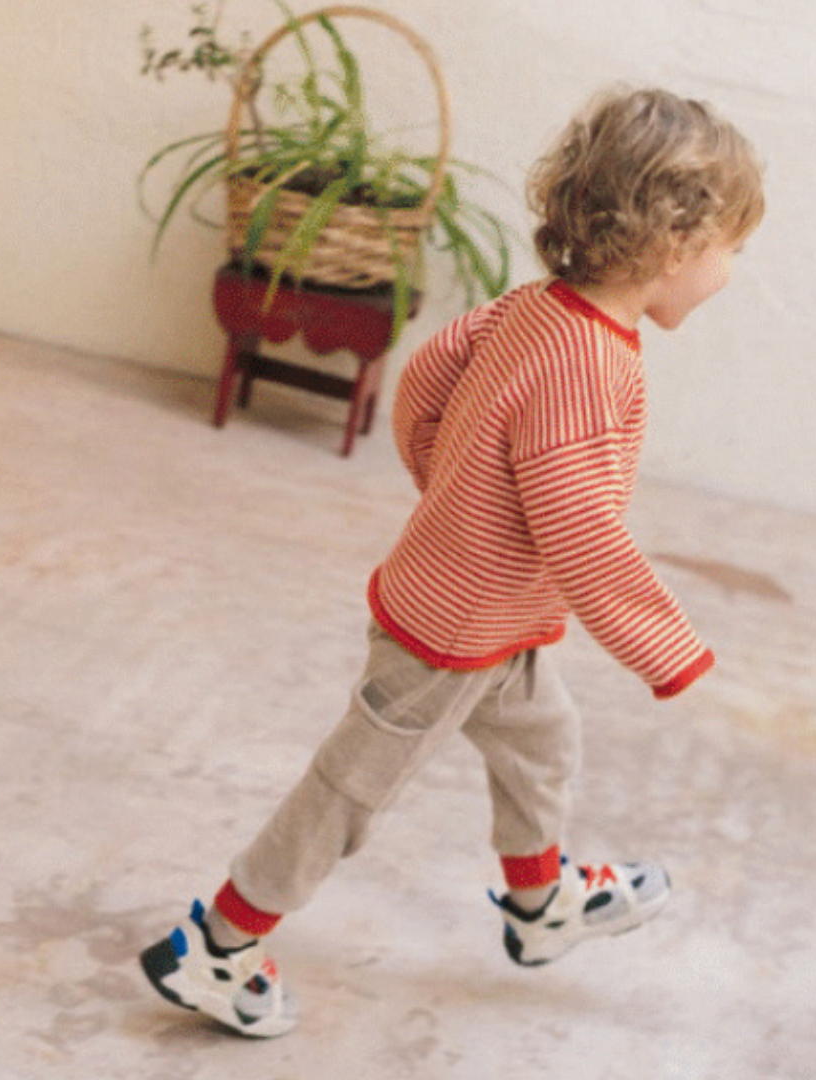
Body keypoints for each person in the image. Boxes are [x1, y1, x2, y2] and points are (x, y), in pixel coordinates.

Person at [140, 85, 765, 1038]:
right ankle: (217, 943)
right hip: (447, 636)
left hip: (487, 613)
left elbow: (428, 380)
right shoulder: (596, 367)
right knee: (350, 791)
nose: (733, 269)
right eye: (733, 247)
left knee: (543, 741)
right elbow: (579, 525)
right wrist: (662, 644)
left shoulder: (538, 308)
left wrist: (456, 492)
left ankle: (539, 901)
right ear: (674, 244)